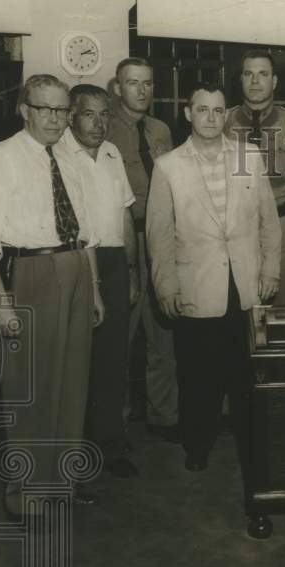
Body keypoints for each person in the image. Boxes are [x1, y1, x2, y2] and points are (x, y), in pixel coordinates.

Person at [0, 74, 104, 518]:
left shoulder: (69, 157)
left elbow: (85, 231)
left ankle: (60, 485)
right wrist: (0, 301)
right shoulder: (2, 158)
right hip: (31, 271)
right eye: (45, 108)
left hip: (76, 269)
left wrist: (95, 289)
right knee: (31, 387)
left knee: (72, 384)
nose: (55, 118)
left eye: (62, 109)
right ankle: (25, 494)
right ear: (24, 109)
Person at [146, 84, 281, 472]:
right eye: (202, 109)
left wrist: (270, 269)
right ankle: (198, 446)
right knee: (197, 376)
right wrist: (166, 286)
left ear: (227, 115)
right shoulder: (168, 166)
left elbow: (269, 221)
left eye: (218, 111)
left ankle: (249, 449)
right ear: (188, 113)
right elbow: (158, 234)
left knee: (245, 376)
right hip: (197, 287)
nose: (210, 117)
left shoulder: (249, 157)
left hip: (246, 285)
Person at [61, 84, 140, 477]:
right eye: (89, 114)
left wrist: (131, 270)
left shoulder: (111, 153)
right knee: (76, 361)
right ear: (72, 116)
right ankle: (74, 451)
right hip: (75, 261)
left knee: (113, 359)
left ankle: (110, 445)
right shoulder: (58, 155)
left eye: (104, 114)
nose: (98, 123)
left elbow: (125, 214)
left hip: (113, 261)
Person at [106, 57, 179, 443]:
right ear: (118, 87)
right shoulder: (104, 127)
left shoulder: (161, 129)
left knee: (163, 335)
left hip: (162, 241)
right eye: (133, 83)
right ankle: (116, 426)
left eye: (147, 83)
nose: (142, 90)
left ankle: (163, 417)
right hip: (125, 242)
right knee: (120, 339)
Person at [224, 49, 285, 305]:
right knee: (240, 305)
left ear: (274, 81)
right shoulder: (224, 121)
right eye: (248, 74)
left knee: (282, 309)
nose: (255, 81)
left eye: (263, 74)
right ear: (240, 79)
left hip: (283, 225)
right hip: (236, 227)